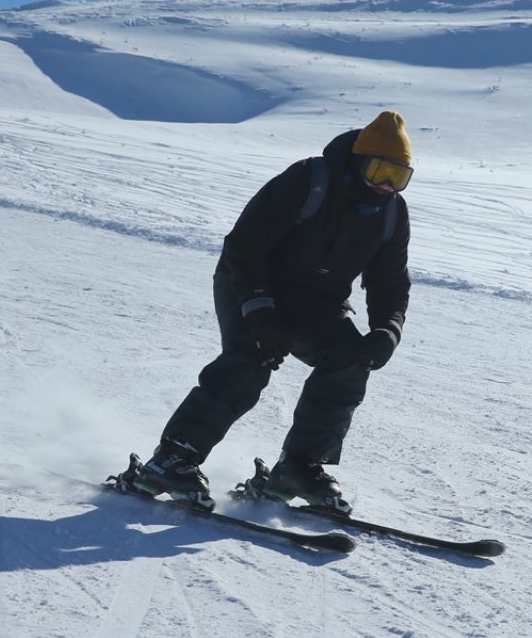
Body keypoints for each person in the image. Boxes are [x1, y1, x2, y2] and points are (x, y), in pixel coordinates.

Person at [125, 111, 415, 514]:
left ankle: (299, 467)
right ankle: (173, 457)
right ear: (357, 161)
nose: (386, 185)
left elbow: (390, 282)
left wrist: (388, 329)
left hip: (318, 302)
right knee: (250, 359)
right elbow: (244, 246)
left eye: (398, 177)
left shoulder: (391, 214)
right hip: (250, 283)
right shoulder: (307, 181)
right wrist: (260, 312)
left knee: (350, 358)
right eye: (380, 170)